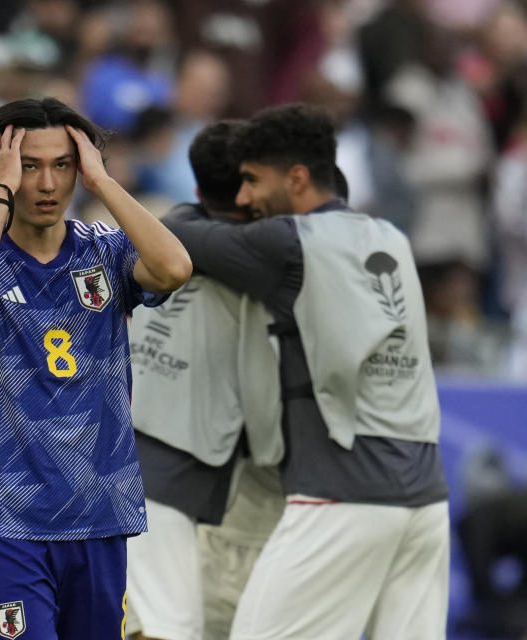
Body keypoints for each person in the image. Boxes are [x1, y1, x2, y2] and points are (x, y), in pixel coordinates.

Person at [160, 104, 449, 639]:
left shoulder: (287, 244)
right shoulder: (391, 237)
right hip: (427, 504)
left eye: (252, 180)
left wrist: (194, 206)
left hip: (344, 493)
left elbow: (176, 238)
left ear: (296, 177)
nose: (244, 198)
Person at [0, 97, 191, 639]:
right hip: (7, 522)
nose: (48, 184)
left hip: (101, 514)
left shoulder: (107, 253)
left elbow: (173, 268)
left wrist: (104, 183)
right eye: (29, 166)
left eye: (62, 165)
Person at [124, 121, 284, 640]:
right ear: (251, 188)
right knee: (169, 626)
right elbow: (265, 399)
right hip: (172, 466)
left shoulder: (157, 238)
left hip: (137, 453)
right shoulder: (273, 267)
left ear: (196, 189)